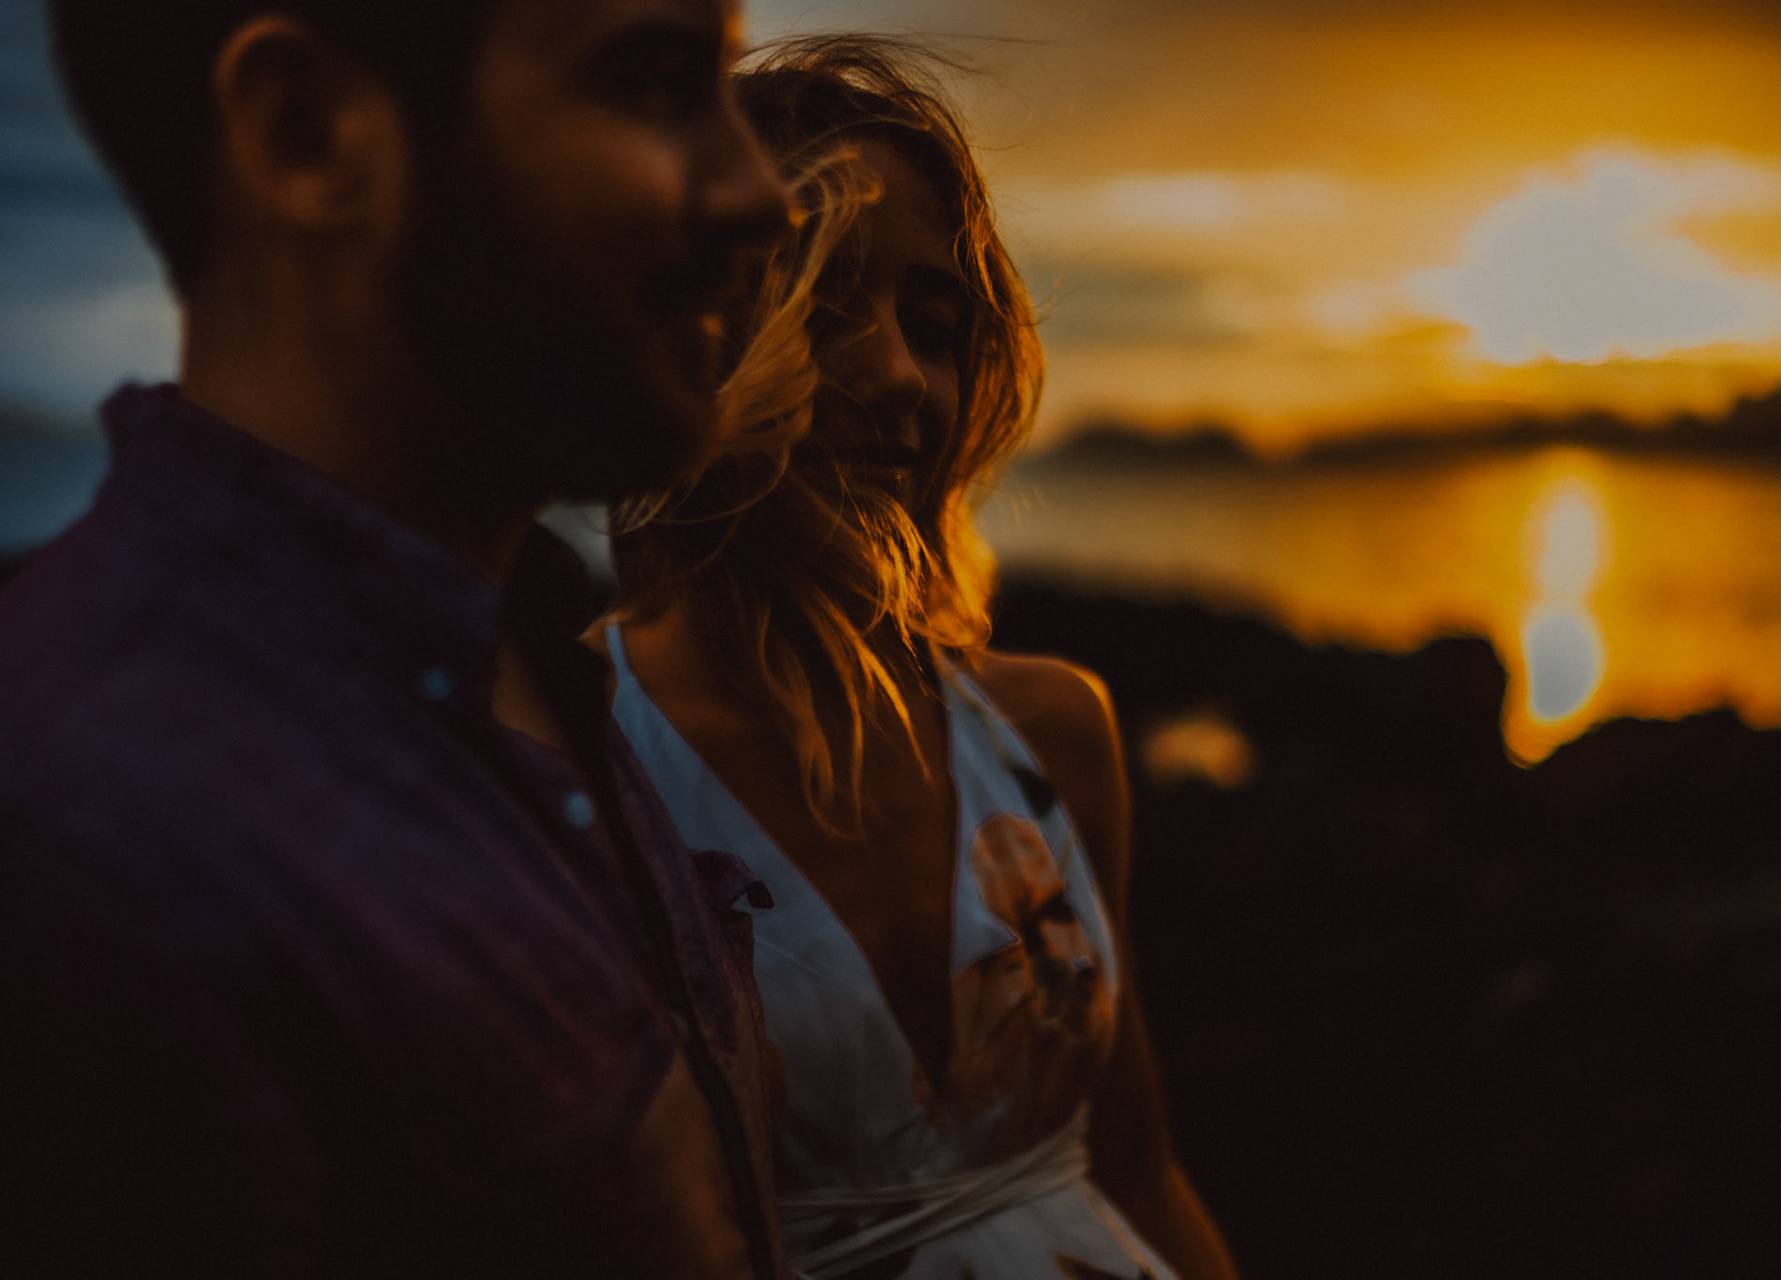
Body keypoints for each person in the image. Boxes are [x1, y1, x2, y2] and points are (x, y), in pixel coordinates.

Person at [0, 0, 793, 1274]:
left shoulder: (525, 646)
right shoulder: (99, 847)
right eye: (652, 83)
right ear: (308, 138)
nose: (764, 193)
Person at [597, 37, 1242, 1279]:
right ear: (695, 326)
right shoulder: (576, 757)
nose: (898, 373)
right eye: (824, 309)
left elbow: (1139, 1169)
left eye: (933, 324)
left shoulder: (1052, 734)